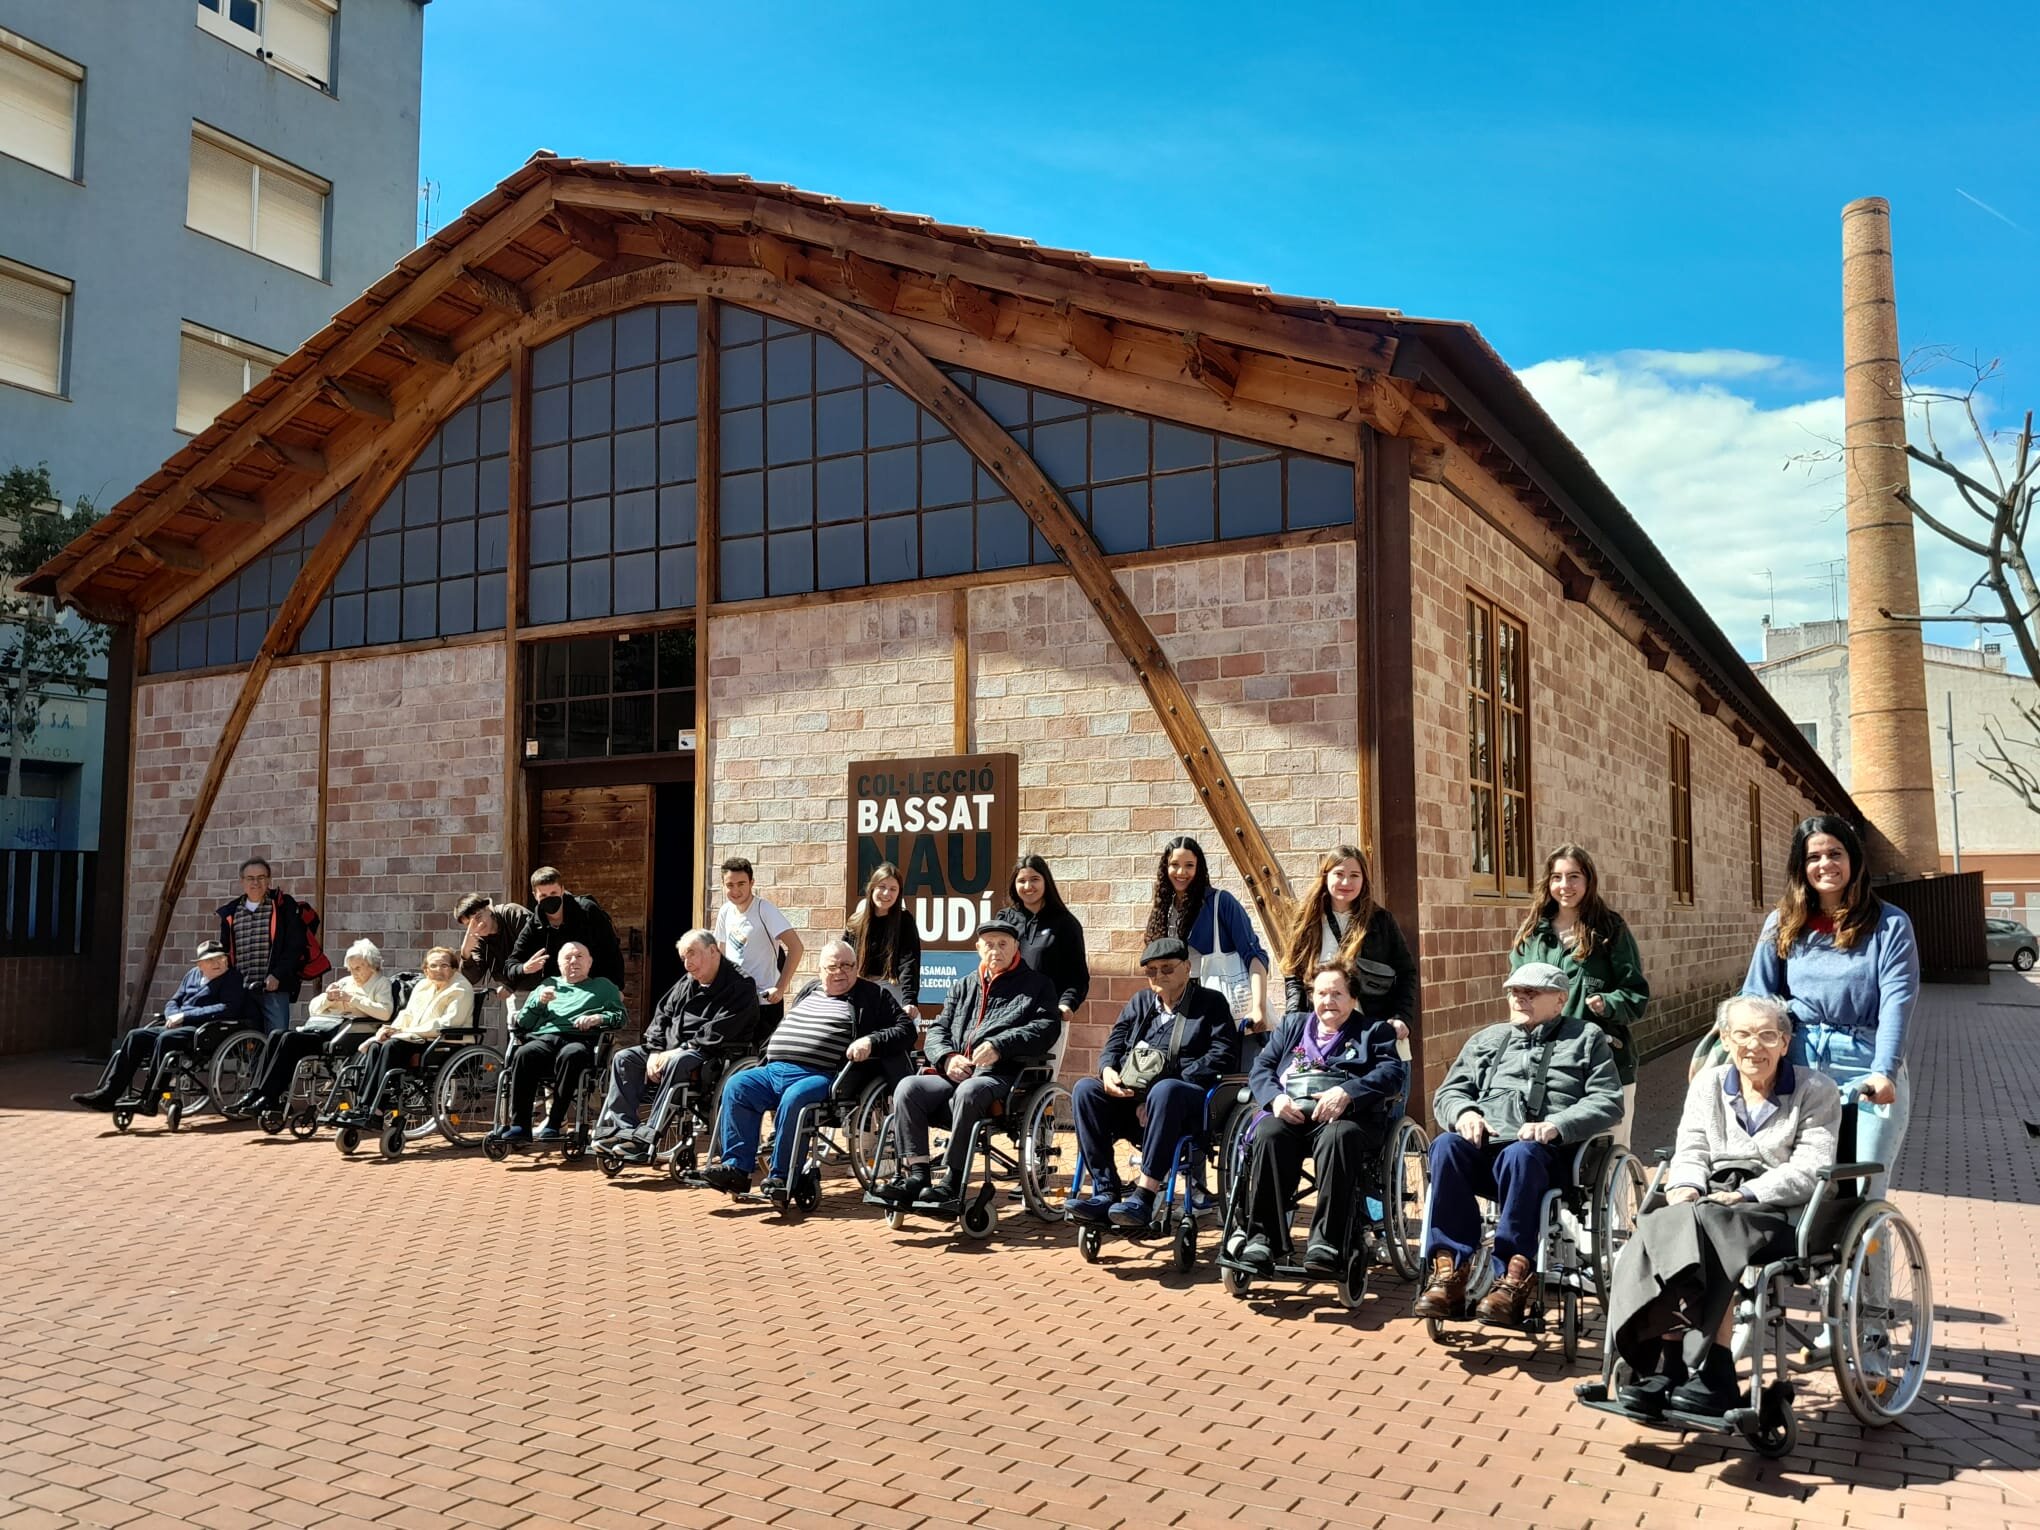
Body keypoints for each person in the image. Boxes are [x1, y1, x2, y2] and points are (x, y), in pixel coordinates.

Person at [1605, 996, 1840, 1416]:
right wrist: (1686, 1186)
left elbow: (1810, 1169)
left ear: (1785, 1043)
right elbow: (1691, 1147)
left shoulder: (1815, 1089)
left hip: (1779, 1209)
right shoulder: (1709, 1083)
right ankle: (1671, 1365)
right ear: (1727, 1041)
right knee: (1662, 1220)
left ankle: (1712, 1371)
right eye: (1744, 1035)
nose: (1756, 1046)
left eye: (1768, 1035)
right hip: (1710, 1199)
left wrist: (1747, 1193)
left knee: (1707, 1223)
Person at [1413, 961, 1624, 1326]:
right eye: (1514, 992)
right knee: (1446, 1146)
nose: (1520, 999)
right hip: (1488, 1148)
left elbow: (1607, 1100)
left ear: (1560, 1000)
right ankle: (1449, 1270)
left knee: (1522, 1152)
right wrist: (1464, 1112)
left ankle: (1513, 1276)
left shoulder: (1586, 1038)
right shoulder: (1488, 1039)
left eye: (1531, 993)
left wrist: (1556, 1124)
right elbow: (1450, 1091)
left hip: (1547, 1157)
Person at [1741, 813, 1919, 1201]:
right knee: (1792, 1188)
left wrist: (1884, 1071)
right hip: (1799, 1067)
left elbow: (1896, 1003)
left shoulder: (1889, 925)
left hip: (1864, 1067)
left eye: (1835, 854)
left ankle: (1869, 1262)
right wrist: (1729, 1051)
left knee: (1862, 1195)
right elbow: (1755, 999)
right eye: (1814, 857)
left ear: (1853, 859)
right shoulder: (1782, 923)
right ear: (1801, 867)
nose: (1825, 865)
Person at [694, 939, 917, 1197]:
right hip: (774, 1069)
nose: (841, 972)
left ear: (857, 968)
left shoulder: (872, 995)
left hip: (821, 1075)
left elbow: (906, 1030)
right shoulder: (810, 990)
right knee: (737, 1086)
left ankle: (781, 1177)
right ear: (820, 970)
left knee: (795, 1098)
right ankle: (737, 1170)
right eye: (833, 966)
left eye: (848, 965)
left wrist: (870, 1040)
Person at [1227, 961, 1408, 1272]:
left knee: (1338, 1136)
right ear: (1312, 996)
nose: (1329, 1001)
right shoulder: (1293, 1026)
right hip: (1293, 1117)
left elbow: (1391, 1073)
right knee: (1269, 1133)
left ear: (1353, 998)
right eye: (1322, 993)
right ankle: (1262, 1239)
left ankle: (1327, 1240)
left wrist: (1349, 1092)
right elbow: (1262, 1068)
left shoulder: (1373, 1032)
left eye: (1337, 993)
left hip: (1347, 1120)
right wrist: (1276, 1098)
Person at [877, 914, 1062, 1207]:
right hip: (955, 1072)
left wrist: (1000, 1046)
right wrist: (947, 1059)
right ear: (978, 948)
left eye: (1003, 944)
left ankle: (952, 1178)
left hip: (1000, 1074)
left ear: (1016, 948)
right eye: (989, 944)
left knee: (969, 1091)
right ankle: (917, 1174)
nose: (995, 951)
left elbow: (1046, 1028)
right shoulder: (964, 985)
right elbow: (938, 1028)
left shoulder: (1038, 985)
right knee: (908, 1087)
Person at [1066, 937, 1238, 1228]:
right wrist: (1107, 1070)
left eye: (1167, 969)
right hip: (1134, 1099)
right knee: (1085, 1089)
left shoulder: (1211, 1003)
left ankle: (1144, 1196)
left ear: (1186, 967)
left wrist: (1160, 1089)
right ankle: (1106, 1191)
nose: (1159, 976)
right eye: (1151, 971)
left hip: (1183, 1101)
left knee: (1165, 1090)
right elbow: (1114, 1043)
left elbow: (1223, 1056)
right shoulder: (1141, 1002)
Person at [1510, 844, 1650, 1147]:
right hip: (1545, 1065)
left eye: (1574, 877)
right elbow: (1516, 993)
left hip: (1603, 1060)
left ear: (1588, 880)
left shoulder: (1610, 929)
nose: (1565, 886)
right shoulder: (1533, 933)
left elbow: (1636, 995)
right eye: (1557, 877)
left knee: (1609, 1150)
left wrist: (1607, 1004)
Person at [597, 930, 760, 1161]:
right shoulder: (688, 980)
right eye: (684, 957)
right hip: (669, 1048)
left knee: (678, 1061)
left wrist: (678, 1050)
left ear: (713, 951)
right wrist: (654, 1050)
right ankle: (622, 1131)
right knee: (624, 1058)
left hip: (709, 1053)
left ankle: (647, 1138)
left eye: (692, 954)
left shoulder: (740, 985)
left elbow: (721, 1030)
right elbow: (662, 1014)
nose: (687, 964)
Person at [72, 940, 254, 1114]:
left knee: (166, 1039)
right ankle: (108, 1094)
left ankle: (151, 1097)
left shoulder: (232, 979)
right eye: (210, 960)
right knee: (136, 1036)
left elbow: (227, 1008)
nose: (217, 963)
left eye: (221, 958)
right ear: (200, 965)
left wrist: (185, 1015)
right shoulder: (192, 975)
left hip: (206, 1029)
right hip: (178, 1025)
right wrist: (172, 1015)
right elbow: (174, 1001)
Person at [230, 938, 394, 1116]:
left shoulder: (381, 983)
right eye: (351, 968)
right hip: (322, 1027)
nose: (353, 973)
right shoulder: (346, 982)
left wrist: (351, 999)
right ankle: (256, 1092)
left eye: (358, 968)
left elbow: (385, 1013)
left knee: (289, 1039)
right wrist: (328, 998)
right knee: (277, 1035)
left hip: (345, 1034)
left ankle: (270, 1097)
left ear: (371, 964)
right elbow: (313, 1008)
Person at [493, 940, 626, 1145]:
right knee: (524, 1053)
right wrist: (539, 1003)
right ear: (559, 963)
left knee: (572, 1054)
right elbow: (525, 1023)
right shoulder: (547, 985)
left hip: (580, 1039)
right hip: (545, 1039)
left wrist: (597, 1019)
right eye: (568, 957)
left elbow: (620, 1017)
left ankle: (555, 1122)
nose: (574, 961)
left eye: (579, 956)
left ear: (590, 963)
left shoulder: (603, 987)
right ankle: (520, 1126)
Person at [1277, 844, 1416, 1032]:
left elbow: (1406, 973)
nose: (1346, 882)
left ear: (1364, 880)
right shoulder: (1307, 921)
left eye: (1354, 876)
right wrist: (1294, 1018)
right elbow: (1294, 973)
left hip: (1372, 1028)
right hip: (1320, 1031)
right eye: (1339, 874)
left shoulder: (1381, 921)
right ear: (1326, 877)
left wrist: (1401, 1017)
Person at [1142, 836, 1268, 1030]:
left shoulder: (1220, 902)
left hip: (1221, 1007)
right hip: (1178, 1011)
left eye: (1189, 865)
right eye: (1174, 864)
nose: (1181, 872)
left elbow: (1255, 956)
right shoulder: (1163, 909)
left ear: (1198, 868)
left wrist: (1259, 1008)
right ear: (1165, 868)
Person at [348, 947, 474, 1115]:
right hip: (414, 1038)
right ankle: (364, 1105)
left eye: (444, 965)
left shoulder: (461, 988)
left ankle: (376, 1108)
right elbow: (407, 1014)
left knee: (392, 1046)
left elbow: (449, 1023)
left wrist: (405, 1032)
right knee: (376, 1046)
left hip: (444, 1040)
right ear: (426, 970)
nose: (438, 970)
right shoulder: (423, 985)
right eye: (433, 966)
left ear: (453, 968)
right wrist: (393, 1028)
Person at [999, 854, 1091, 1033]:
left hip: (1044, 1016)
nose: (1028, 886)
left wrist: (1067, 1004)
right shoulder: (1004, 919)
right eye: (1022, 880)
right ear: (1014, 884)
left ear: (1046, 881)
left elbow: (1077, 976)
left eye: (1035, 879)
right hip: (1005, 1014)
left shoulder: (1065, 923)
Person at [714, 857, 803, 1038]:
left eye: (741, 884)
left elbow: (796, 947)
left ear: (751, 883)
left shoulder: (764, 910)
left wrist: (780, 987)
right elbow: (720, 952)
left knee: (763, 1059)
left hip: (765, 1001)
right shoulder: (725, 911)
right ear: (723, 885)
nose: (736, 890)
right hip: (736, 999)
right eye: (730, 885)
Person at [216, 857, 307, 1035]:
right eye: (250, 878)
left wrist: (277, 975)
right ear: (242, 881)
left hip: (273, 988)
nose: (255, 882)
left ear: (269, 880)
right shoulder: (231, 912)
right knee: (246, 1041)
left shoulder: (282, 906)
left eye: (261, 877)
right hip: (242, 991)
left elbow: (295, 945)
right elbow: (225, 951)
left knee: (276, 1039)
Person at [504, 867, 625, 993]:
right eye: (543, 895)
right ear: (535, 896)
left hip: (593, 989)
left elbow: (611, 951)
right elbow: (510, 965)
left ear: (562, 889)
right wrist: (524, 968)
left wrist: (616, 988)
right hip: (560, 996)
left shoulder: (587, 912)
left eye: (553, 893)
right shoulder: (535, 926)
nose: (549, 899)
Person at [453, 893, 541, 1031]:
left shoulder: (512, 913)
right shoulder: (478, 939)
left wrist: (510, 985)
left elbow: (535, 948)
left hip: (544, 983)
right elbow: (471, 978)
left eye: (478, 917)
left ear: (488, 907)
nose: (479, 926)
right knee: (519, 1036)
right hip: (519, 992)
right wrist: (466, 953)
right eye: (470, 925)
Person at [845, 862, 921, 1008]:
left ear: (899, 893)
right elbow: (845, 956)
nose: (887, 893)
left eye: (893, 889)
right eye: (882, 887)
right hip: (860, 988)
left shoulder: (904, 920)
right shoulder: (857, 920)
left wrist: (909, 1001)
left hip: (892, 989)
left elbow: (909, 962)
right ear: (872, 888)